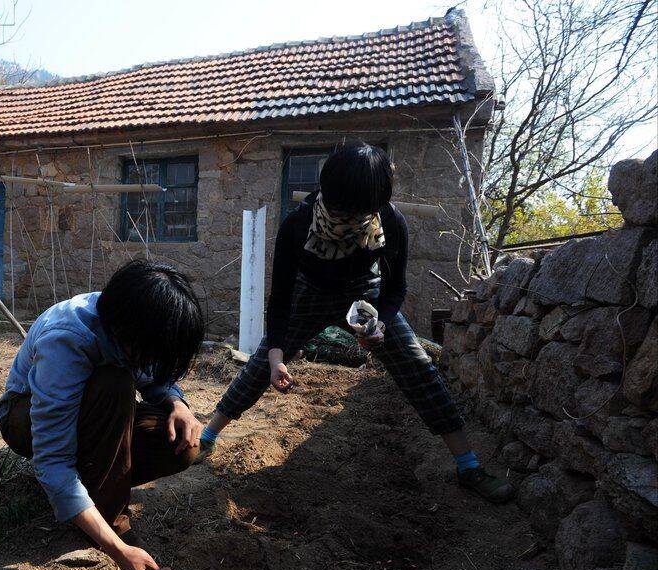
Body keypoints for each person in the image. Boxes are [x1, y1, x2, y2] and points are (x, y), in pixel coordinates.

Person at [199, 142, 514, 503]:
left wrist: (379, 324)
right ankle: (207, 438)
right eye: (337, 209)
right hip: (308, 293)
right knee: (259, 365)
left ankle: (468, 465)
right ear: (326, 190)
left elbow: (397, 290)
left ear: (375, 203)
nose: (344, 218)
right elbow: (281, 297)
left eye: (356, 212)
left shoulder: (392, 223)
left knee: (419, 368)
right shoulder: (298, 224)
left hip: (366, 297)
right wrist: (276, 356)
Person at [0, 259, 206, 570]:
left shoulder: (132, 317)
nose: (152, 363)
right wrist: (119, 551)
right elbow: (52, 460)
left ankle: (92, 489)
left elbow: (151, 379)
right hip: (24, 420)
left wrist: (179, 405)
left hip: (87, 420)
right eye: (152, 354)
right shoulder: (66, 340)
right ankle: (110, 519)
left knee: (180, 447)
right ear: (129, 335)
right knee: (115, 383)